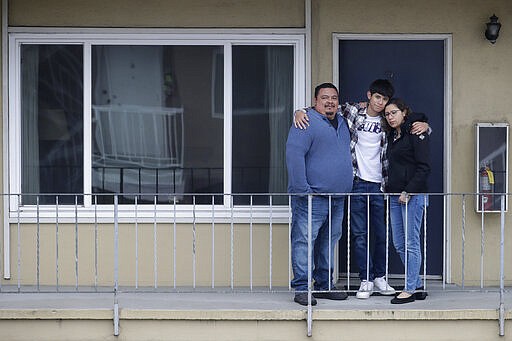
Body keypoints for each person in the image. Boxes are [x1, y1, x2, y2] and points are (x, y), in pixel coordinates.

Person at [294, 79, 429, 299]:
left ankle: (380, 277)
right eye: (377, 97)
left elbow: (413, 123)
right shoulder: (352, 111)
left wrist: (426, 124)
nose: (380, 103)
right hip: (357, 182)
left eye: (384, 100)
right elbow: (324, 107)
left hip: (381, 185)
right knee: (359, 233)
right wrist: (299, 111)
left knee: (381, 234)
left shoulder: (389, 121)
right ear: (369, 95)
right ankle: (366, 279)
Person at [286, 82, 353, 306]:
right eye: (324, 97)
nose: (330, 101)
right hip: (311, 197)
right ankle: (303, 288)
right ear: (315, 101)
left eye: (334, 97)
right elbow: (294, 156)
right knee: (304, 242)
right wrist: (302, 191)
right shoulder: (304, 121)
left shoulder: (343, 121)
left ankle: (324, 285)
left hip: (338, 198)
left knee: (328, 242)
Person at [383, 98, 431, 304]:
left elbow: (424, 167)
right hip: (395, 196)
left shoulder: (415, 131)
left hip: (413, 195)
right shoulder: (394, 135)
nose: (390, 117)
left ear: (404, 112)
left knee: (412, 242)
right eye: (387, 114)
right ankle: (417, 284)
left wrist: (408, 191)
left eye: (394, 112)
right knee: (399, 243)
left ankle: (410, 288)